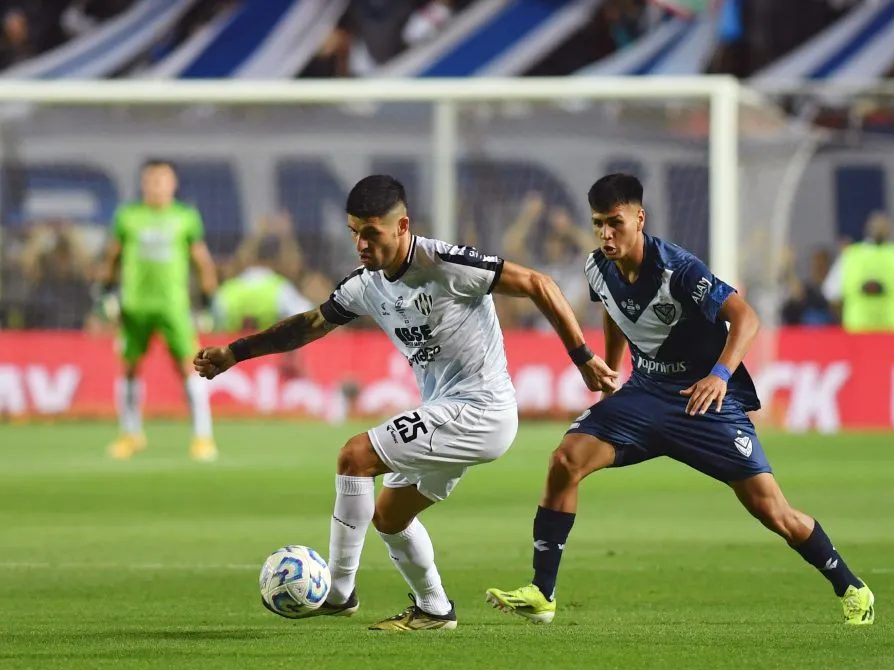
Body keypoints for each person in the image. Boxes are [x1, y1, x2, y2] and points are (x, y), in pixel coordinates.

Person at [194, 175, 617, 631]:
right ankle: (435, 608)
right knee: (390, 516)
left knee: (353, 456)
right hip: (447, 411)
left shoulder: (445, 263)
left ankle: (338, 592)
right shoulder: (366, 284)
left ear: (402, 226)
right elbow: (310, 324)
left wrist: (583, 357)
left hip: (481, 408)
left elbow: (539, 282)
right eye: (354, 231)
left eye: (371, 232)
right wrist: (235, 353)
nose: (360, 243)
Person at [485, 173, 875, 626]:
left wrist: (720, 376)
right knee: (564, 461)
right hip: (645, 396)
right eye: (598, 224)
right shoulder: (597, 267)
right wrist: (612, 369)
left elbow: (745, 318)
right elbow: (613, 307)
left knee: (774, 512)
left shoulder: (679, 270)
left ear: (639, 218)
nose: (607, 234)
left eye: (616, 222)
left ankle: (852, 588)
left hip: (702, 404)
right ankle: (542, 593)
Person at [97, 160, 219, 462]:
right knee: (128, 367)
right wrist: (106, 291)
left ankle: (203, 437)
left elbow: (201, 259)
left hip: (172, 307)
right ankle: (130, 433)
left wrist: (207, 299)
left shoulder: (185, 217)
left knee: (190, 367)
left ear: (173, 184)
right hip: (134, 307)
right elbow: (113, 255)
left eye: (163, 180)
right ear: (143, 184)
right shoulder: (128, 217)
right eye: (151, 180)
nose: (157, 186)